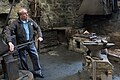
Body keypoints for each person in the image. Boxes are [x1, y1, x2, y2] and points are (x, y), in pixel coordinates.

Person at [5, 8, 44, 78]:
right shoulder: (16, 23)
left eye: (26, 13)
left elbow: (37, 28)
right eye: (24, 14)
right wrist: (10, 42)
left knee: (35, 56)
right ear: (20, 15)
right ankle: (26, 73)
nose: (26, 15)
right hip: (22, 44)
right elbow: (8, 31)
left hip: (31, 43)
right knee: (23, 59)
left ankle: (38, 71)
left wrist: (40, 36)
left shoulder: (30, 21)